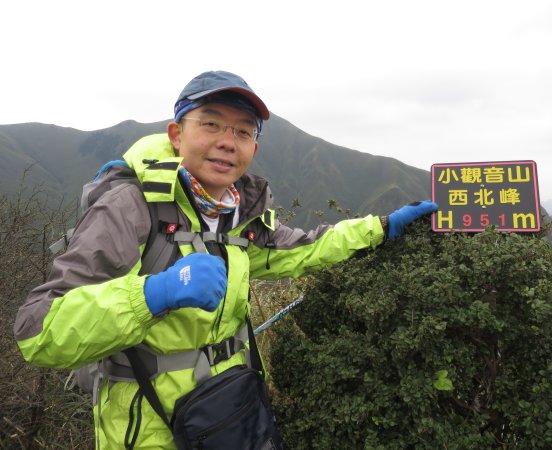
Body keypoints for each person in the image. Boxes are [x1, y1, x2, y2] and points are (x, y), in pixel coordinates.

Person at [14, 70, 438, 449]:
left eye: (242, 131)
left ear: (254, 145)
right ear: (177, 134)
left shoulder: (238, 216)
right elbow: (40, 331)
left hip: (230, 416)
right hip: (151, 429)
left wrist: (382, 226)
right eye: (211, 124)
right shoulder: (131, 206)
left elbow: (304, 248)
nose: (226, 141)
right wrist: (154, 293)